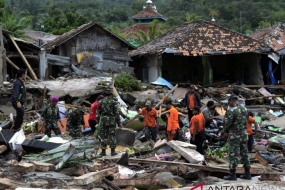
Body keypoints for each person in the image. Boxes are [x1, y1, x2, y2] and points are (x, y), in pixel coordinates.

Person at [223, 96, 251, 181]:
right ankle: (247, 173)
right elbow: (246, 120)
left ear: (232, 101)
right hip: (244, 134)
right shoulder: (244, 109)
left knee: (233, 154)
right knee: (244, 152)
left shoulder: (231, 111)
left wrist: (224, 132)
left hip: (235, 135)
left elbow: (227, 124)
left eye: (228, 102)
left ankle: (232, 174)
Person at [97, 88, 122, 156]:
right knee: (112, 136)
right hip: (111, 120)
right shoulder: (113, 102)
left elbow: (98, 113)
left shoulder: (100, 102)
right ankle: (113, 151)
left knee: (103, 136)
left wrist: (97, 122)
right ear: (111, 94)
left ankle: (103, 152)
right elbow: (116, 113)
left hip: (103, 121)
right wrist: (119, 122)